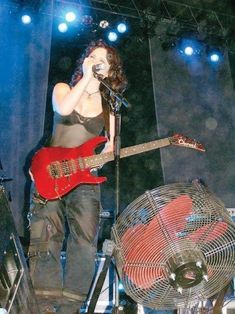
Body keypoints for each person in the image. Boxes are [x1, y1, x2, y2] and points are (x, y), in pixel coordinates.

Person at [28, 39, 127, 314]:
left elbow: (108, 152)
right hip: (50, 172)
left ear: (109, 71)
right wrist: (85, 79)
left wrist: (104, 156)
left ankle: (72, 305)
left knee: (84, 241)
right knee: (47, 234)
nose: (96, 60)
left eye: (103, 59)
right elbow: (63, 110)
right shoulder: (63, 88)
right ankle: (45, 304)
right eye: (92, 55)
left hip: (83, 180)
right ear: (85, 61)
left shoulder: (111, 110)